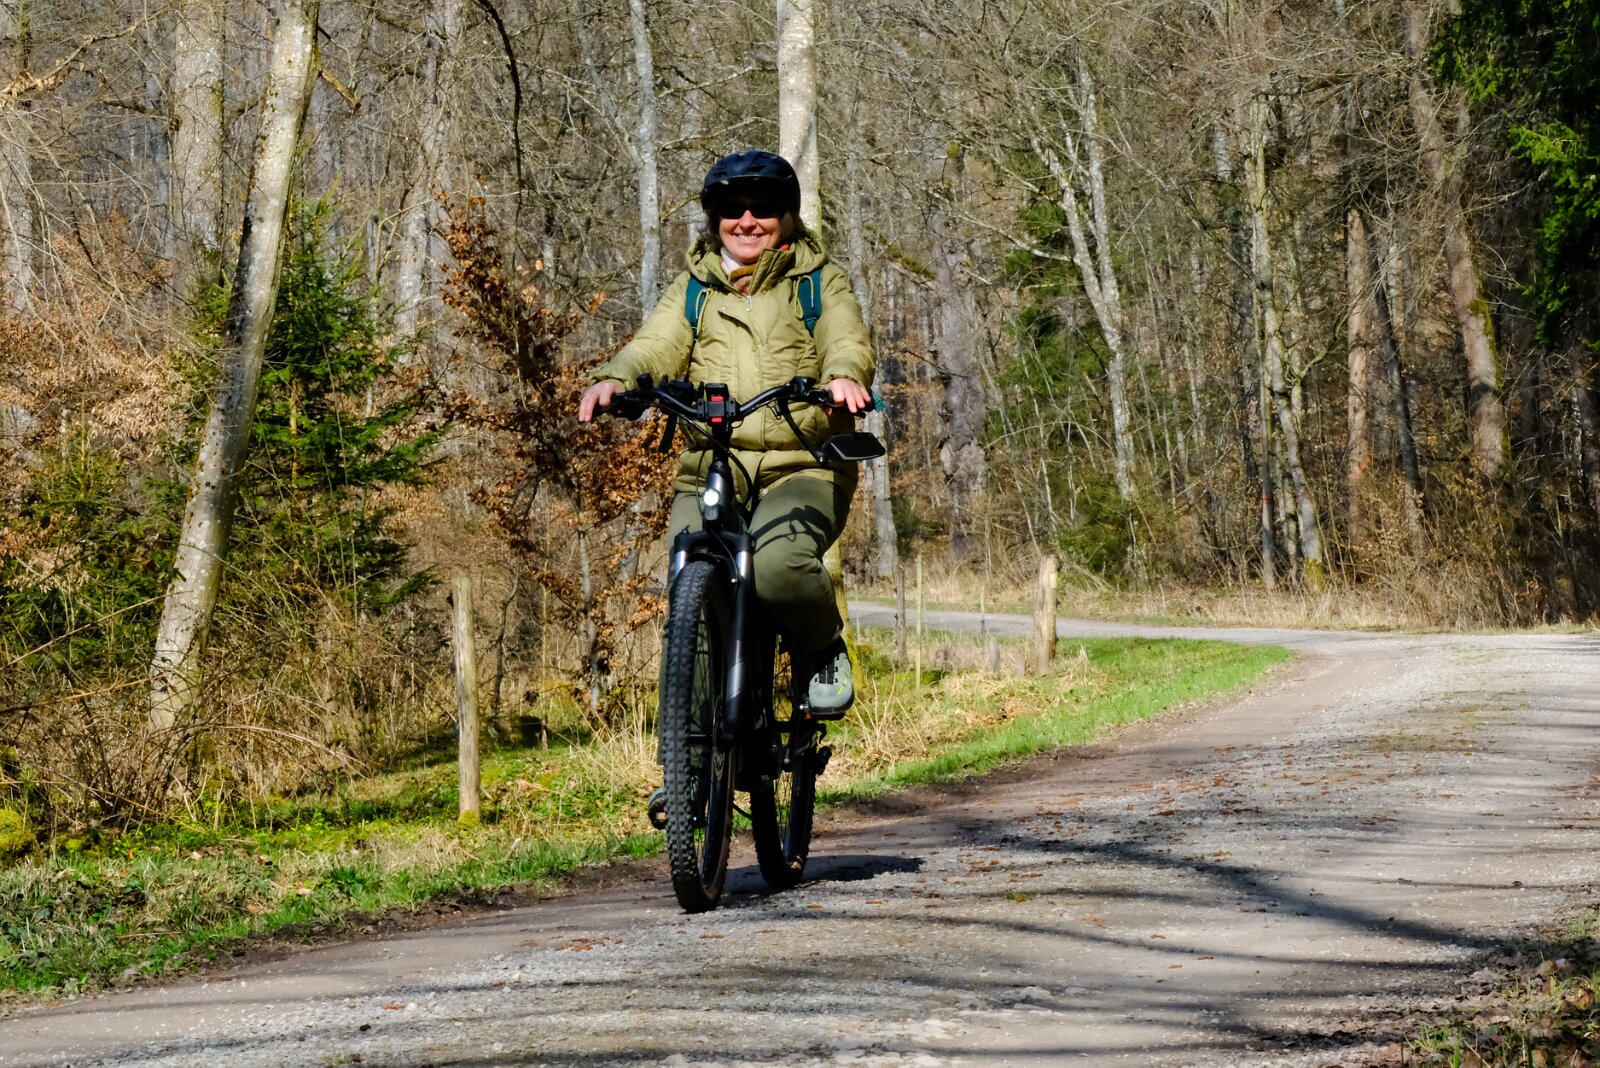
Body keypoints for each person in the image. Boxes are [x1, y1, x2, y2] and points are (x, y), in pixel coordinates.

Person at [578, 149, 875, 713]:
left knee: (778, 567)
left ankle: (821, 647)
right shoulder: (696, 288)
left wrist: (842, 376)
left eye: (762, 208)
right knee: (690, 572)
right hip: (711, 464)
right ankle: (691, 744)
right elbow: (656, 343)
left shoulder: (818, 282)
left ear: (786, 216)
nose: (747, 221)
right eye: (732, 209)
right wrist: (616, 378)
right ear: (714, 219)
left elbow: (845, 336)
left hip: (802, 464)